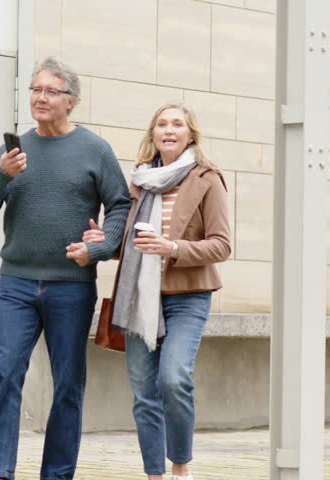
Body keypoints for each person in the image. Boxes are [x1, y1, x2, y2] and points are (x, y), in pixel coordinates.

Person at [0, 56, 131, 480]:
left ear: (70, 101)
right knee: (3, 372)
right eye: (35, 90)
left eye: (49, 91)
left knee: (68, 384)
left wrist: (100, 248)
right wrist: (2, 176)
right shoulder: (13, 151)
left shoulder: (94, 150)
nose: (39, 97)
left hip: (70, 287)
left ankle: (56, 474)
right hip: (15, 283)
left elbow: (119, 206)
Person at [83, 103, 231, 480]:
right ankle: (154, 474)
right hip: (138, 295)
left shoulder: (207, 178)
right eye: (161, 124)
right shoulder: (138, 181)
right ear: (153, 135)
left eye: (177, 124)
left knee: (173, 378)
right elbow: (127, 245)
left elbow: (222, 245)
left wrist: (174, 248)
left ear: (190, 135)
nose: (169, 129)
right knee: (144, 391)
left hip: (188, 294)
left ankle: (181, 466)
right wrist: (104, 240)